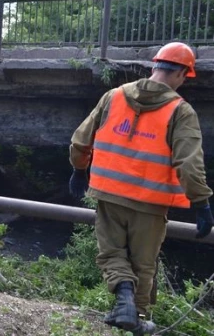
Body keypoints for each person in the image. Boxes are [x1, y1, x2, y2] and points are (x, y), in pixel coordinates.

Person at [68, 42, 213, 335]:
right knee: (144, 264)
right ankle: (137, 318)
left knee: (112, 253)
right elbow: (189, 164)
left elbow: (80, 141)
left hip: (108, 195)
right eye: (185, 76)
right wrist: (202, 204)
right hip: (150, 202)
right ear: (181, 74)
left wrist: (78, 170)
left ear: (154, 66)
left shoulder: (114, 96)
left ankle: (123, 297)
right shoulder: (181, 111)